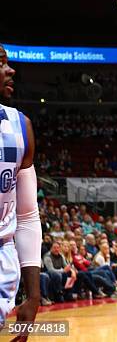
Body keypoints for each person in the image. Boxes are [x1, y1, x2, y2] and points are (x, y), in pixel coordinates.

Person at [0, 44, 42, 341]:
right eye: (0, 63)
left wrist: (33, 295)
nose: (10, 69)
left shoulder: (20, 125)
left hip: (4, 256)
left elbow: (27, 215)